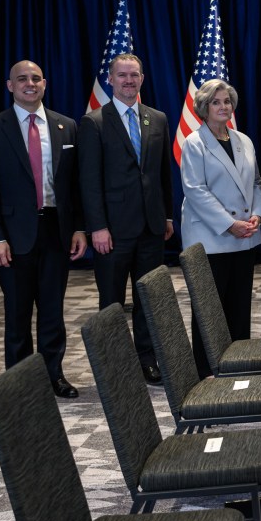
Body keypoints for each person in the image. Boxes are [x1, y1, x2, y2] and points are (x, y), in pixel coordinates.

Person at [0, 60, 87, 398]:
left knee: (53, 310)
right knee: (18, 312)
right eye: (21, 79)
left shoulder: (66, 126)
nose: (29, 83)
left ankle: (54, 374)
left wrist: (80, 228)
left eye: (35, 78)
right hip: (12, 236)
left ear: (44, 83)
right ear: (9, 86)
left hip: (56, 230)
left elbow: (75, 187)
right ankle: (21, 383)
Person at [78, 53, 172, 385]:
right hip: (112, 232)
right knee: (112, 302)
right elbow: (89, 183)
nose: (128, 81)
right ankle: (116, 365)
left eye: (134, 75)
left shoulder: (157, 118)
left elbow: (163, 175)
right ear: (111, 79)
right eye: (122, 75)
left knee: (148, 299)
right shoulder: (94, 122)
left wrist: (167, 216)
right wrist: (97, 228)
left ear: (142, 79)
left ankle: (147, 359)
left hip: (150, 226)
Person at [179, 79, 261, 378]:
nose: (223, 107)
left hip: (245, 237)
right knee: (208, 309)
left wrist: (257, 216)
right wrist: (230, 224)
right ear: (204, 107)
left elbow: (256, 184)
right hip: (211, 239)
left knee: (239, 306)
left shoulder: (244, 140)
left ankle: (239, 364)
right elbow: (195, 190)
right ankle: (206, 371)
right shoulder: (194, 143)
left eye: (227, 101)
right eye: (216, 102)